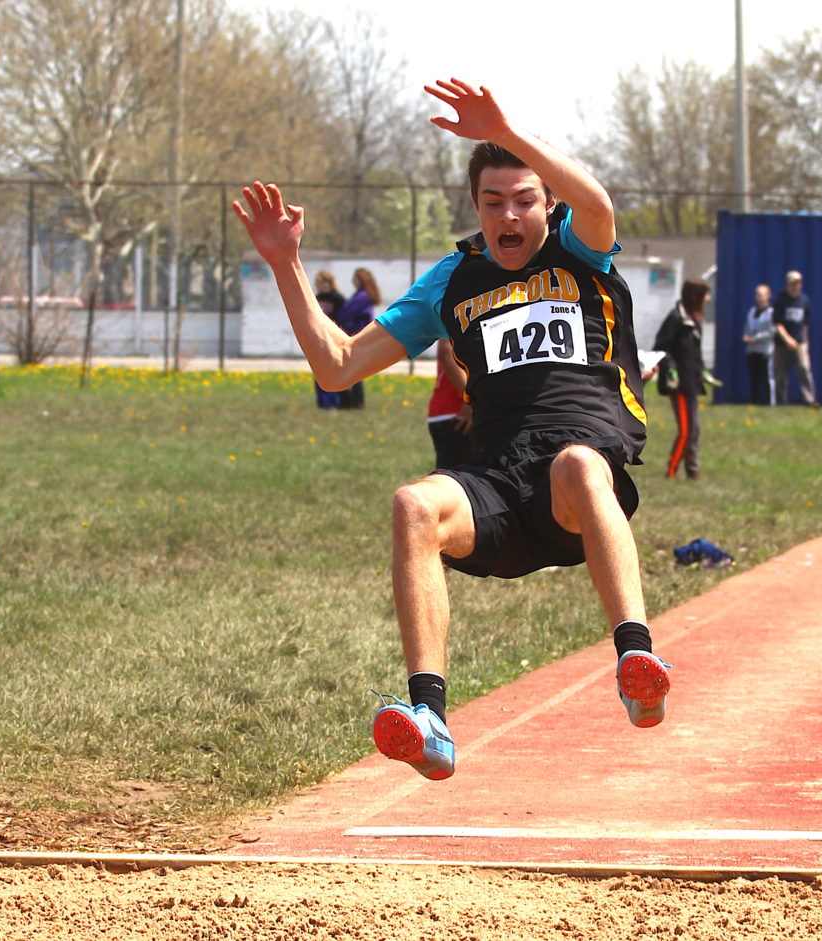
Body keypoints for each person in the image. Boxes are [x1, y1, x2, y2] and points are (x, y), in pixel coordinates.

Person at [232, 77, 670, 782]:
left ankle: (635, 659)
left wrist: (508, 128)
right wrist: (285, 263)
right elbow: (338, 367)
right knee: (413, 504)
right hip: (497, 478)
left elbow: (598, 203)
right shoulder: (452, 280)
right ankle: (431, 721)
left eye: (525, 199)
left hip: (575, 478)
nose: (510, 215)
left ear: (546, 204)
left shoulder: (579, 249)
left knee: (581, 466)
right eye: (494, 201)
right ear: (475, 208)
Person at [653, 279, 710, 480]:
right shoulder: (675, 319)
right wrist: (671, 370)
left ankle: (692, 470)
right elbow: (661, 348)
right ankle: (672, 470)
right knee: (686, 431)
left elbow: (694, 353)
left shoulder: (694, 321)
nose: (708, 299)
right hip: (680, 385)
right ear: (695, 296)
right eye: (705, 295)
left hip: (693, 383)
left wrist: (703, 372)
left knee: (695, 431)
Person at [334, 268, 380, 409]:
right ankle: (354, 402)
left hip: (357, 336)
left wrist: (337, 313)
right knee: (355, 371)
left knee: (351, 371)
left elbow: (346, 312)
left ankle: (353, 402)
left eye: (355, 278)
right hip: (360, 336)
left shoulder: (362, 296)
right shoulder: (363, 295)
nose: (352, 281)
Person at [426, 338, 474, 469]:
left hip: (456, 411)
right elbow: (446, 352)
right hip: (459, 412)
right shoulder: (457, 317)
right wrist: (471, 399)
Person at [771, 270, 817, 406]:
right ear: (787, 284)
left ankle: (809, 400)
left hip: (800, 342)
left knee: (804, 368)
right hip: (782, 343)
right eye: (793, 284)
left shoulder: (804, 300)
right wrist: (787, 339)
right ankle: (781, 401)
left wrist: (805, 342)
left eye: (798, 283)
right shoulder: (781, 300)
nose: (796, 286)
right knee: (780, 373)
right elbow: (777, 324)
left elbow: (804, 323)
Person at [313, 270, 345, 409]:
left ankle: (335, 401)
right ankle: (322, 402)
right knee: (319, 369)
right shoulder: (317, 297)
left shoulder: (337, 298)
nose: (318, 285)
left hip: (334, 336)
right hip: (320, 336)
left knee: (334, 369)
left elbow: (344, 317)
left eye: (320, 282)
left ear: (327, 282)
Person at [742, 284, 774, 406]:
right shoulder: (752, 311)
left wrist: (756, 338)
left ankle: (768, 402)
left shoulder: (771, 312)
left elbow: (771, 331)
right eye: (757, 295)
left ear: (768, 296)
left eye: (761, 295)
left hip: (765, 349)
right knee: (753, 376)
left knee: (766, 377)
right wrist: (746, 337)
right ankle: (754, 400)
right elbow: (747, 327)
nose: (759, 297)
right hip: (752, 349)